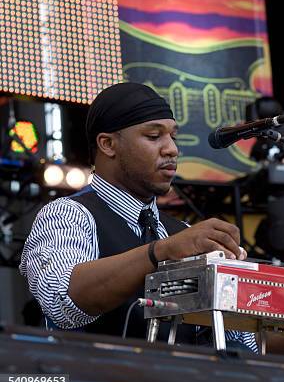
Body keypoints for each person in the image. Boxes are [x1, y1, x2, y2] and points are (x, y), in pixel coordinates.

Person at [20, 82, 256, 351]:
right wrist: (161, 251)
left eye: (173, 137)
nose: (172, 150)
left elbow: (242, 341)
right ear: (108, 144)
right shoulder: (67, 214)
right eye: (154, 137)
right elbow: (62, 300)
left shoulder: (181, 231)